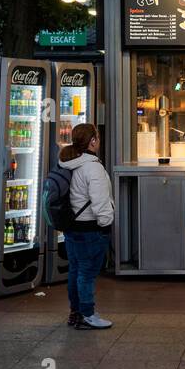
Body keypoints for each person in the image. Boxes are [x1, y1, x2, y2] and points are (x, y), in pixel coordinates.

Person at [58, 123, 115, 330]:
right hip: (90, 229)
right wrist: (106, 223)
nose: (98, 140)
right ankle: (87, 314)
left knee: (75, 271)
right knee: (87, 274)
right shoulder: (93, 167)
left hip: (72, 227)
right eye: (97, 137)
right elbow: (100, 201)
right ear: (92, 141)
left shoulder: (68, 162)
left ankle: (75, 312)